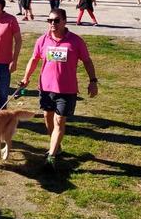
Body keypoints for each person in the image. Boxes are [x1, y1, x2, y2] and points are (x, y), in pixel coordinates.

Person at [20, 9, 98, 170]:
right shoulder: (42, 40)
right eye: (50, 21)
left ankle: (51, 156)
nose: (52, 24)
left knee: (59, 121)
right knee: (48, 118)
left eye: (56, 20)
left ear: (64, 21)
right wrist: (26, 77)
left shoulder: (76, 41)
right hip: (46, 88)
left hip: (67, 90)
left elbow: (87, 61)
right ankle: (57, 146)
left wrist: (93, 81)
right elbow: (34, 59)